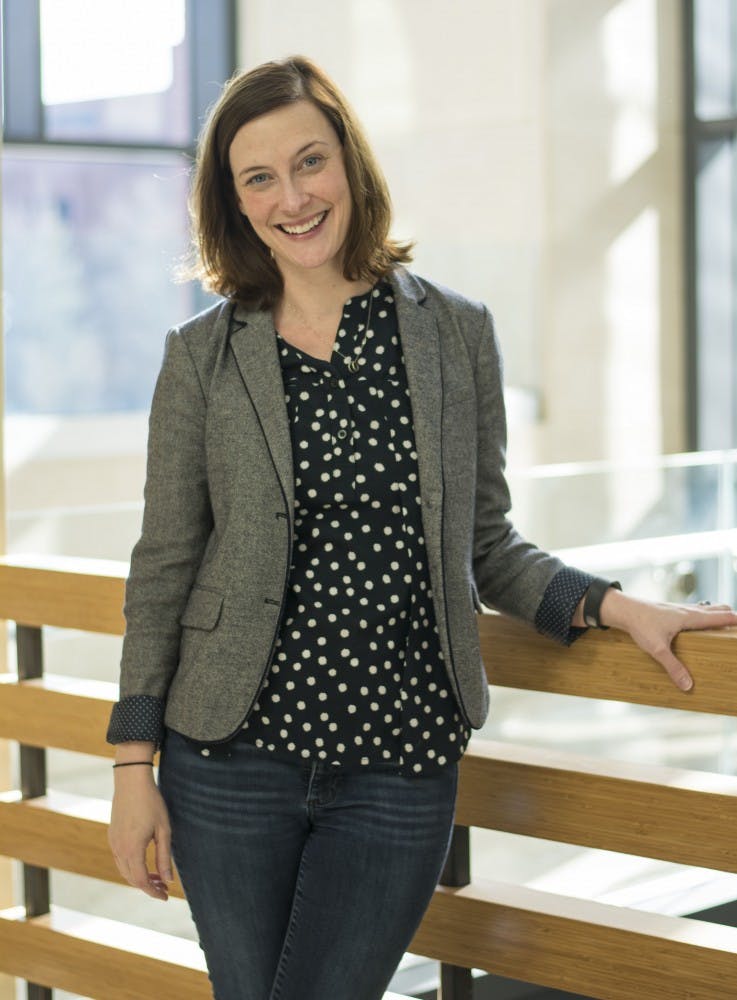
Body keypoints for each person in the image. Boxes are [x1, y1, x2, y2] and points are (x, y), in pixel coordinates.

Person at [106, 56, 737, 1000]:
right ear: (234, 204)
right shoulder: (200, 357)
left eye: (309, 162)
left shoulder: (454, 334)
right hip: (227, 763)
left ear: (350, 166)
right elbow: (165, 564)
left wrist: (613, 607)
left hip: (397, 761)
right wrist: (130, 765)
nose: (293, 197)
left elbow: (488, 544)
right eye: (259, 178)